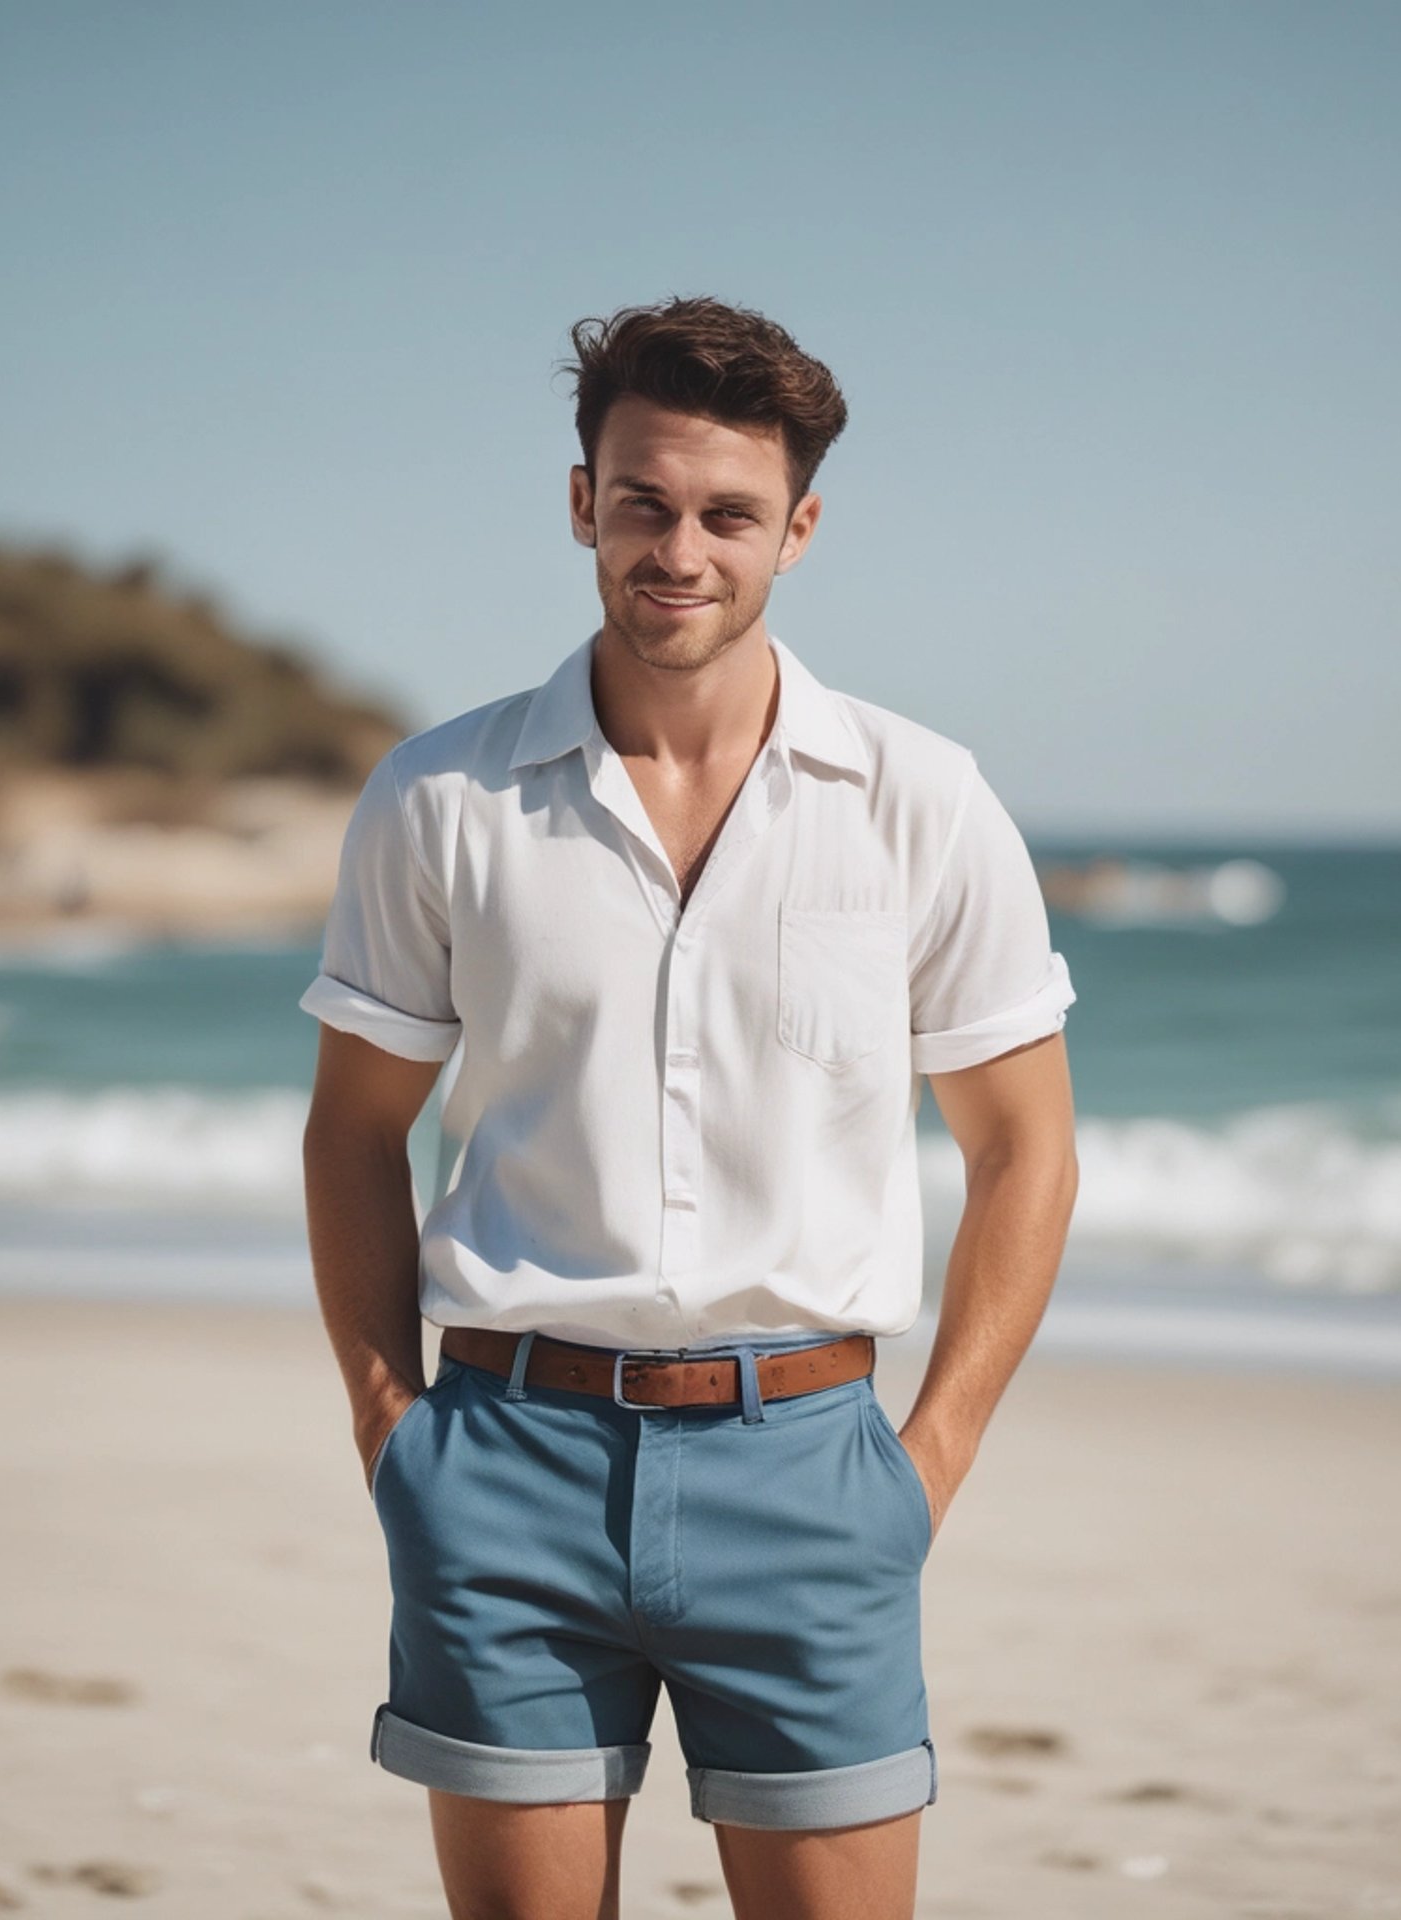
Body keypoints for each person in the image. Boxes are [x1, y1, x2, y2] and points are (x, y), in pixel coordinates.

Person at [299, 294, 1080, 1920]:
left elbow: (1025, 1152)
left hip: (811, 1474)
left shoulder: (922, 801)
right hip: (501, 1462)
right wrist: (397, 1438)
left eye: (728, 513)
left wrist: (922, 1468)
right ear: (582, 501)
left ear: (797, 529)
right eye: (642, 502)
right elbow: (353, 1131)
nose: (679, 549)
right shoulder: (440, 799)